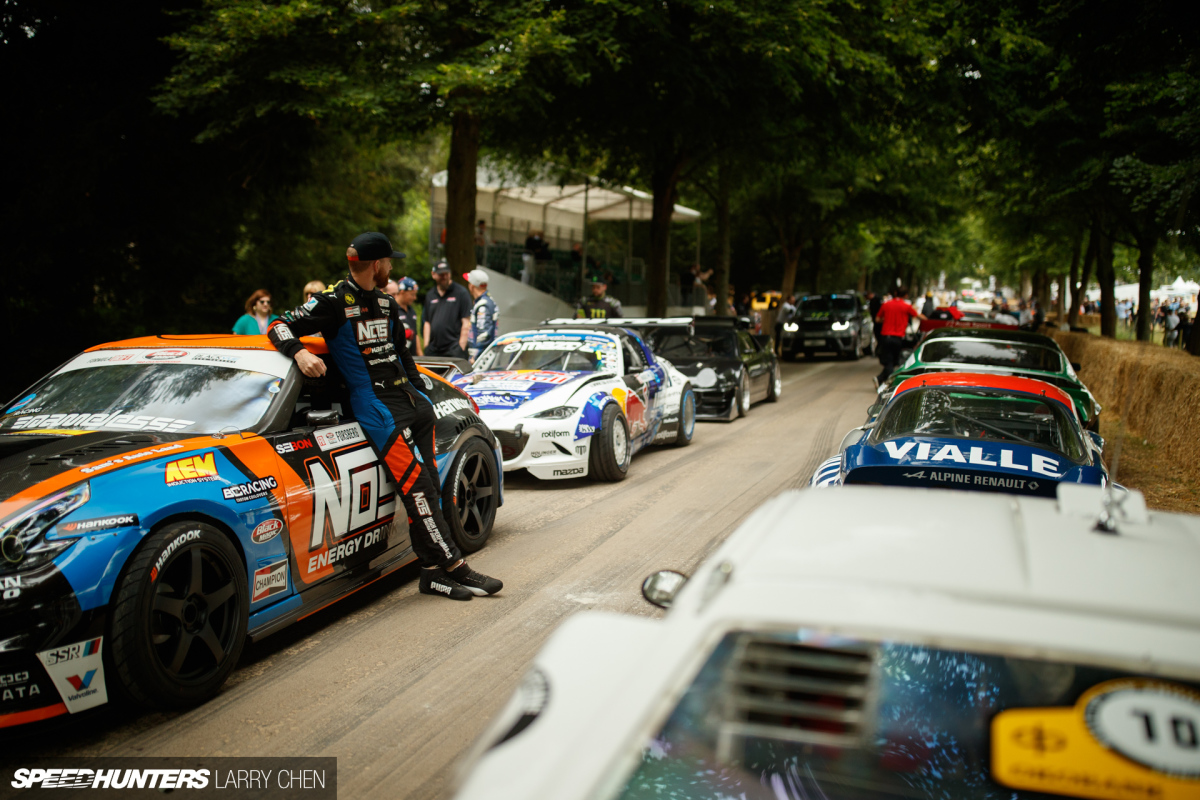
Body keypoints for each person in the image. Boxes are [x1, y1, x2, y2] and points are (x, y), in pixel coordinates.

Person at [266, 232, 501, 601]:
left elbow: (402, 353)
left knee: (430, 484)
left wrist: (422, 394)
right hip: (375, 407)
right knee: (418, 489)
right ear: (376, 265)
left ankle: (430, 574)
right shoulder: (331, 302)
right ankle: (456, 566)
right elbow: (278, 324)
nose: (392, 269)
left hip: (411, 402)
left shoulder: (387, 303)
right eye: (389, 263)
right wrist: (298, 352)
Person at [874, 287, 926, 388]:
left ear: (895, 293)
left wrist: (887, 320)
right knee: (892, 362)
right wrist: (929, 320)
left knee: (890, 361)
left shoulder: (886, 304)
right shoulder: (906, 306)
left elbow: (877, 319)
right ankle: (885, 384)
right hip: (898, 338)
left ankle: (880, 378)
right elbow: (918, 316)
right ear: (905, 295)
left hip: (886, 337)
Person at [422, 260, 472, 358]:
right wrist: (426, 345)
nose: (444, 277)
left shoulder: (461, 292)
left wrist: (461, 347)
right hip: (434, 350)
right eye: (441, 274)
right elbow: (427, 322)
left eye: (447, 274)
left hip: (453, 349)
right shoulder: (430, 295)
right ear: (434, 275)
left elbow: (466, 322)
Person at [464, 269, 499, 362]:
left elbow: (484, 335)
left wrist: (476, 357)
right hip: (485, 355)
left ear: (471, 286)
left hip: (482, 358)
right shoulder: (488, 301)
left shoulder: (483, 305)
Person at [388, 276, 423, 355]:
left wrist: (420, 354)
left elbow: (415, 334)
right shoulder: (393, 309)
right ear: (402, 292)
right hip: (399, 356)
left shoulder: (412, 311)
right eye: (412, 294)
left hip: (413, 357)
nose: (415, 298)